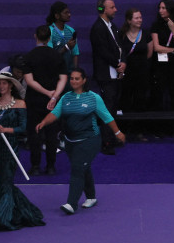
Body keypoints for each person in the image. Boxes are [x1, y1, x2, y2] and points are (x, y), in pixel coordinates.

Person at [36, 68, 125, 214]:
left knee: (77, 169)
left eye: (77, 78)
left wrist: (117, 132)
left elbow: (107, 117)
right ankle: (91, 197)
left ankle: (71, 203)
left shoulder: (93, 98)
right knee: (83, 167)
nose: (73, 81)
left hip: (89, 140)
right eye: (71, 78)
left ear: (84, 80)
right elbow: (55, 113)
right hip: (70, 141)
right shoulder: (65, 97)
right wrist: (43, 123)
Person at [0, 74, 44, 231]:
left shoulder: (20, 104)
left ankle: (2, 216)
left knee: (6, 179)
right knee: (2, 180)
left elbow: (23, 127)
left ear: (11, 85)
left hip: (11, 146)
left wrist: (6, 130)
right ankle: (16, 211)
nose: (1, 86)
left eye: (4, 83)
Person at [24, 25, 64, 175]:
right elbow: (63, 78)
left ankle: (35, 167)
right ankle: (51, 166)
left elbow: (29, 81)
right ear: (49, 38)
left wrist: (46, 92)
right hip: (52, 102)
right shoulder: (57, 56)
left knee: (34, 133)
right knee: (51, 134)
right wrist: (53, 95)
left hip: (34, 100)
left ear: (35, 36)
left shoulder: (29, 56)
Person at [89, 0, 124, 155]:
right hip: (106, 74)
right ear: (102, 9)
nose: (115, 10)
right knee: (107, 109)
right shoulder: (97, 28)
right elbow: (102, 51)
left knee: (113, 107)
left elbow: (120, 47)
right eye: (112, 7)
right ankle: (106, 142)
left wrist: (123, 62)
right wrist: (118, 64)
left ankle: (112, 137)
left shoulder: (113, 26)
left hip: (116, 74)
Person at [149, 0, 174, 113]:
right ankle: (159, 128)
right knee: (158, 96)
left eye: (163, 8)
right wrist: (173, 49)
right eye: (159, 8)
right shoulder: (156, 25)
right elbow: (156, 47)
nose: (160, 10)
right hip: (159, 65)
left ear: (170, 9)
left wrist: (173, 30)